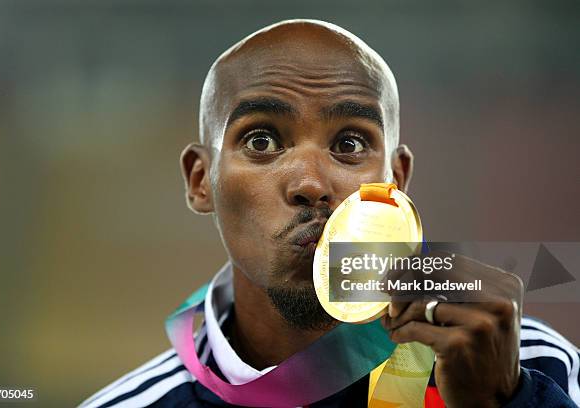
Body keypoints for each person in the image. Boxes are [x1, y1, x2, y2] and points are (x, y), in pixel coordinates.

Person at [79, 19, 579, 407]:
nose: (311, 184)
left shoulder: (531, 364)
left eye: (350, 143)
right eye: (261, 140)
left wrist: (505, 403)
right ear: (199, 180)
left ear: (397, 180)